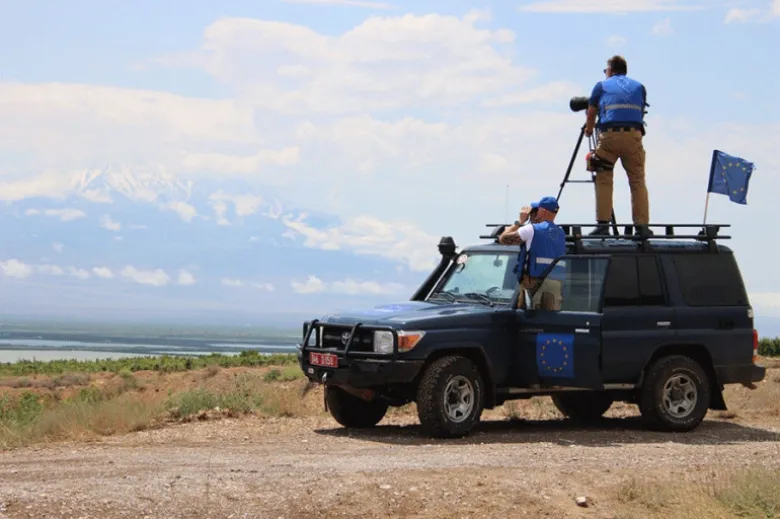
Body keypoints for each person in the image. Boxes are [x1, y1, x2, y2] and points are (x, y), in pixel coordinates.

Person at [585, 55, 652, 237]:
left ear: (610, 70)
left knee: (604, 179)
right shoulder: (639, 87)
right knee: (637, 181)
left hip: (609, 137)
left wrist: (589, 130)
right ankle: (642, 227)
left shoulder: (601, 86)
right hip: (633, 137)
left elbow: (591, 112)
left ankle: (603, 225)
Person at [499, 196, 567, 309]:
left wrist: (520, 221)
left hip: (534, 283)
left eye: (537, 210)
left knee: (529, 318)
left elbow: (503, 239)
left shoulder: (532, 229)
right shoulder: (561, 233)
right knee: (549, 318)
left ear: (543, 211)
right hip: (555, 285)